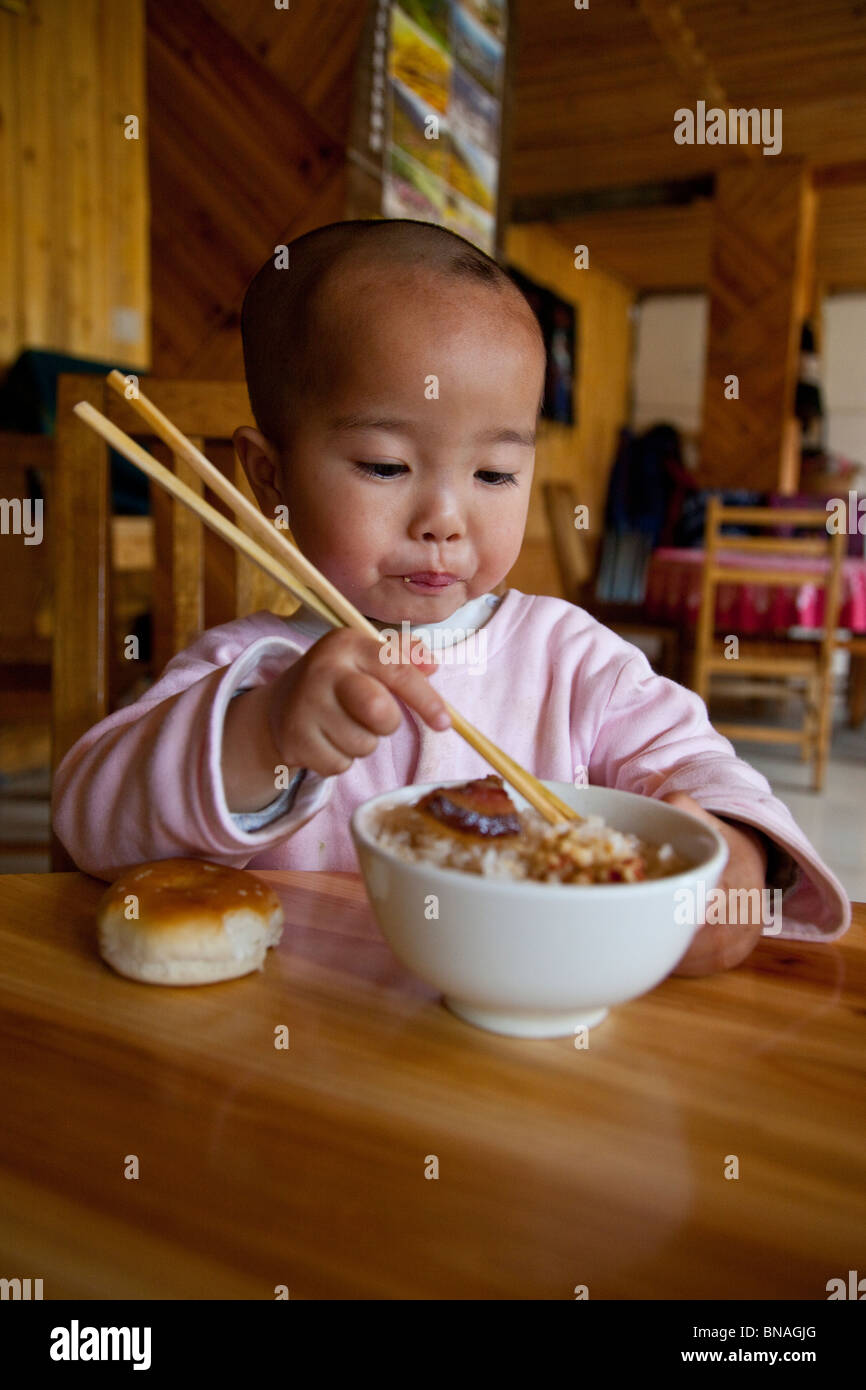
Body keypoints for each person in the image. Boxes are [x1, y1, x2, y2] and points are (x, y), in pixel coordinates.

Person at [52, 219, 850, 976]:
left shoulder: (571, 661)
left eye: (495, 474)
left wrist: (734, 861)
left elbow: (702, 770)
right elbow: (89, 823)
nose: (444, 520)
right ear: (272, 479)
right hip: (300, 1061)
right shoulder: (248, 671)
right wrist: (263, 734)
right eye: (386, 467)